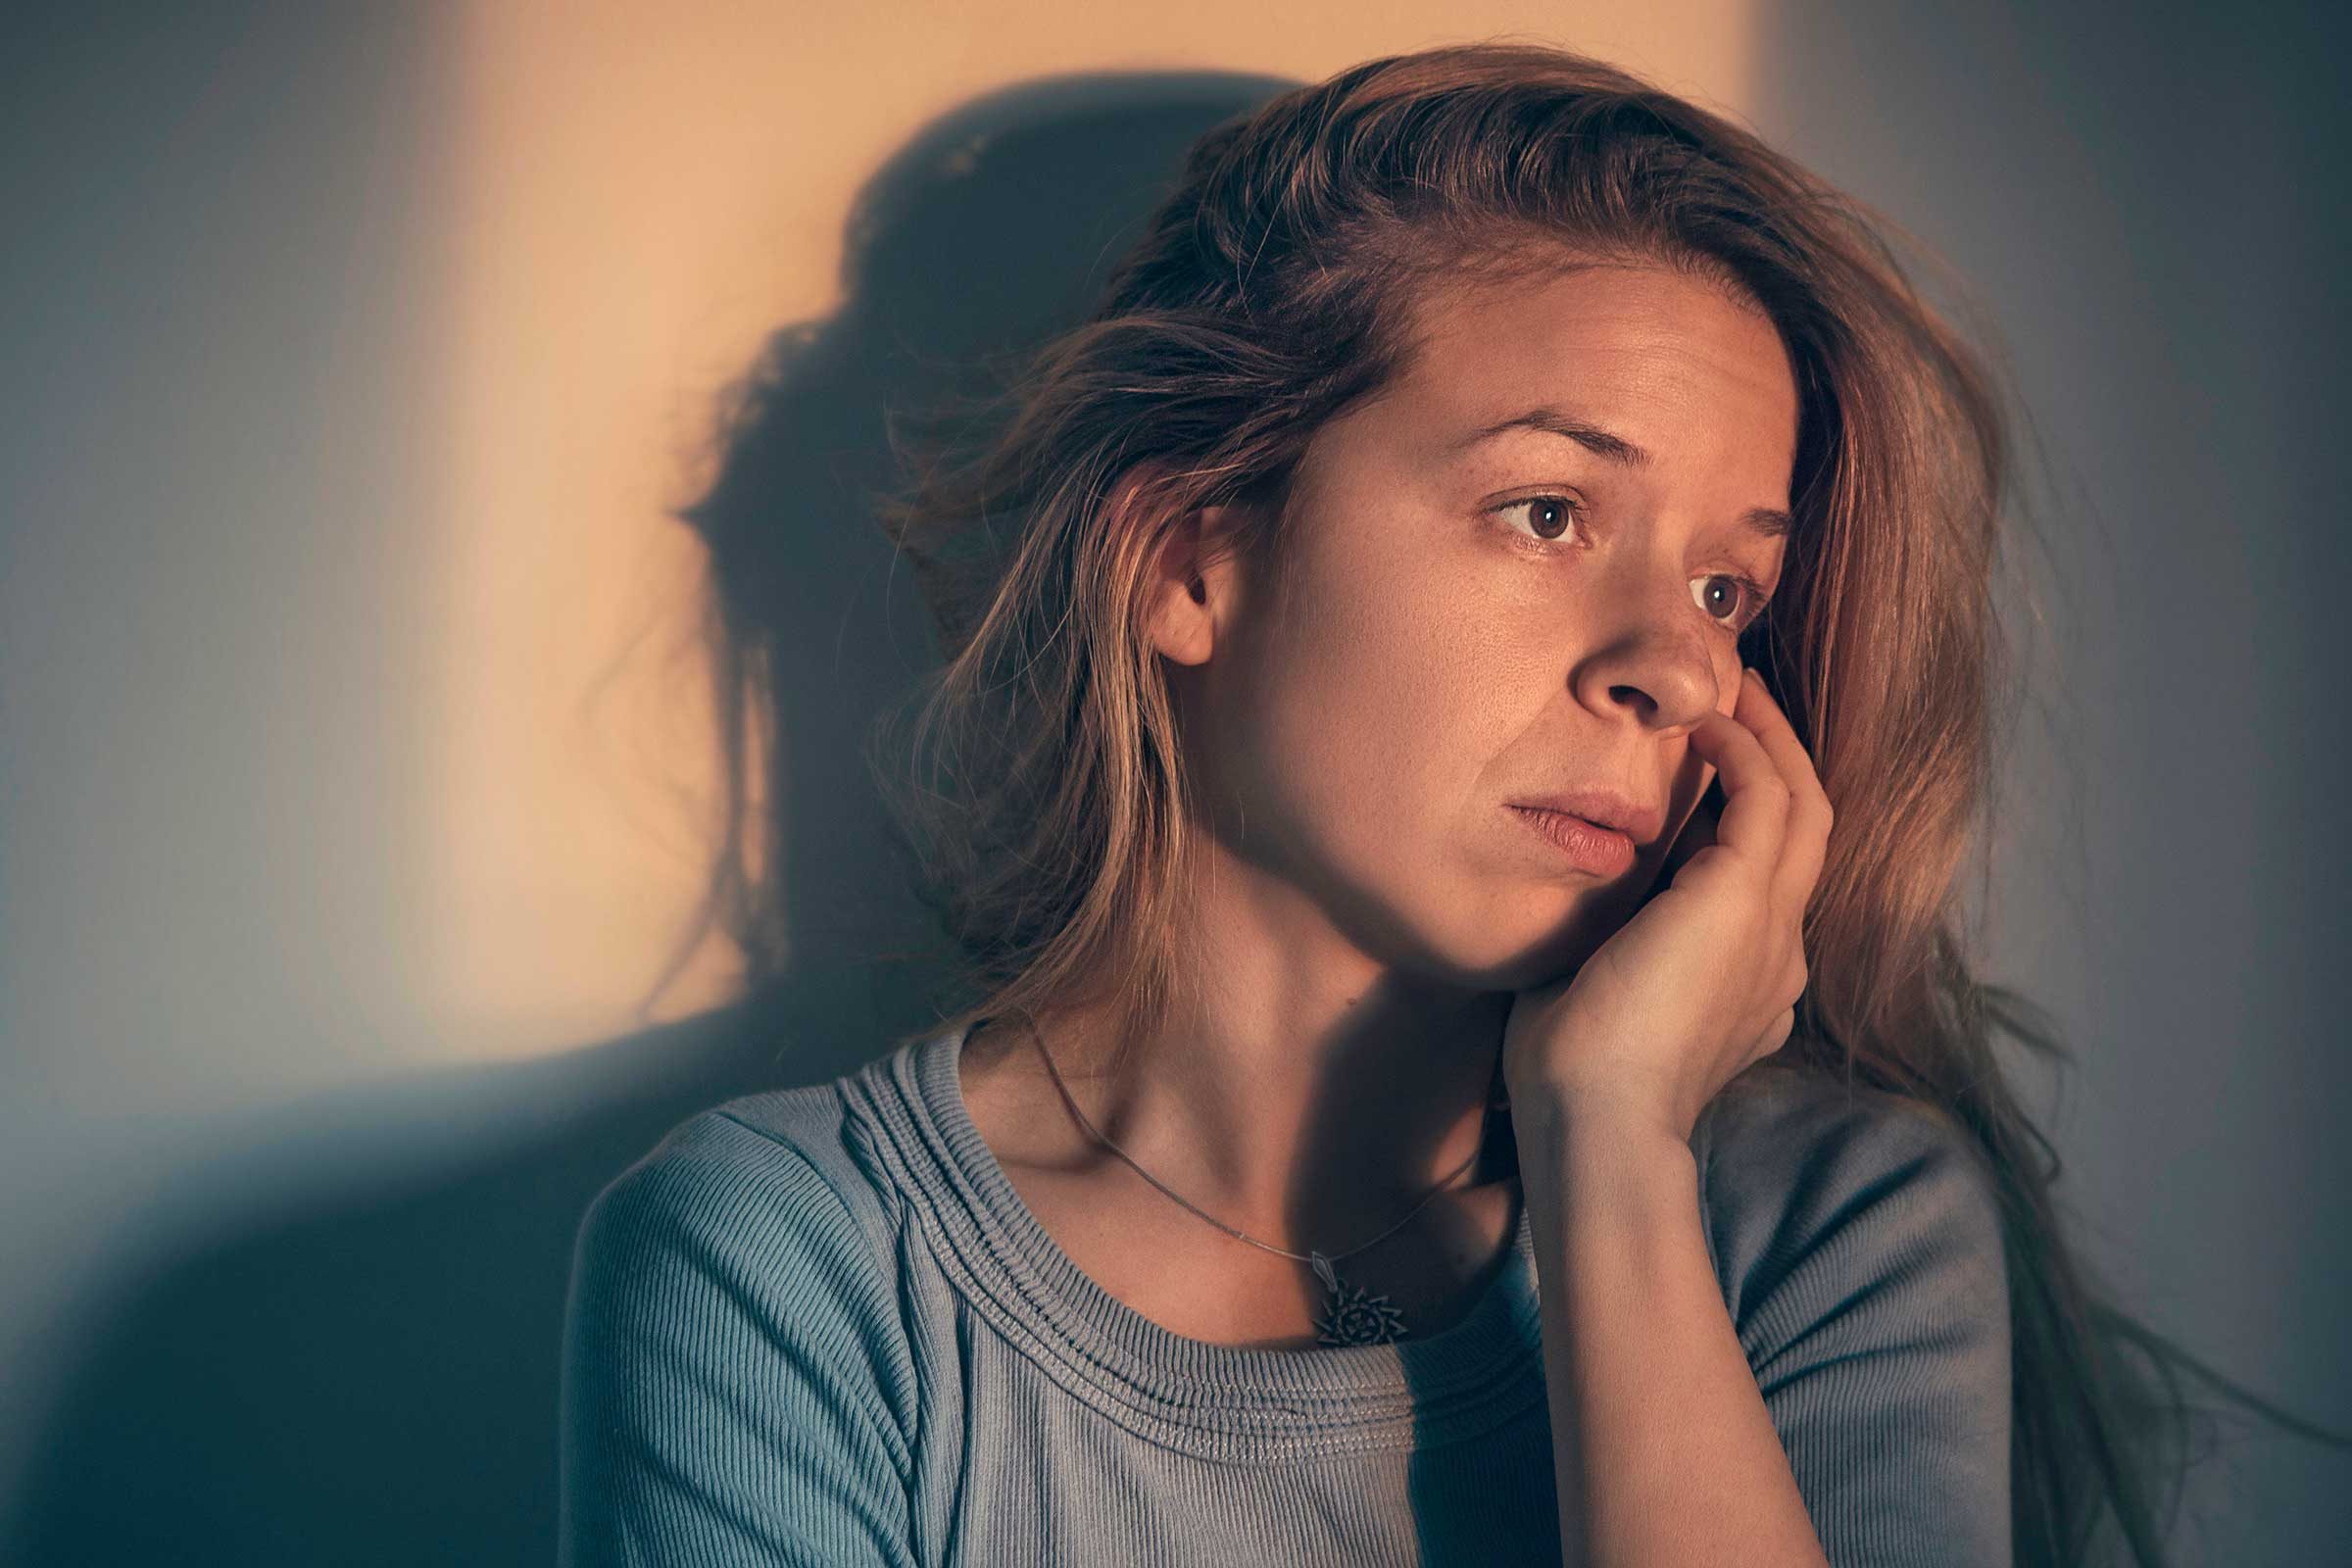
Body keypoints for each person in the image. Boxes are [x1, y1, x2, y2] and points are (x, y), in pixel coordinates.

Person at [557, 41, 2276, 1567]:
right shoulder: (795, 1272)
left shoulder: (1833, 1230)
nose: (1678, 670)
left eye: (1730, 594)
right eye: (1546, 512)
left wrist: (1613, 1156)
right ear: (1188, 558)